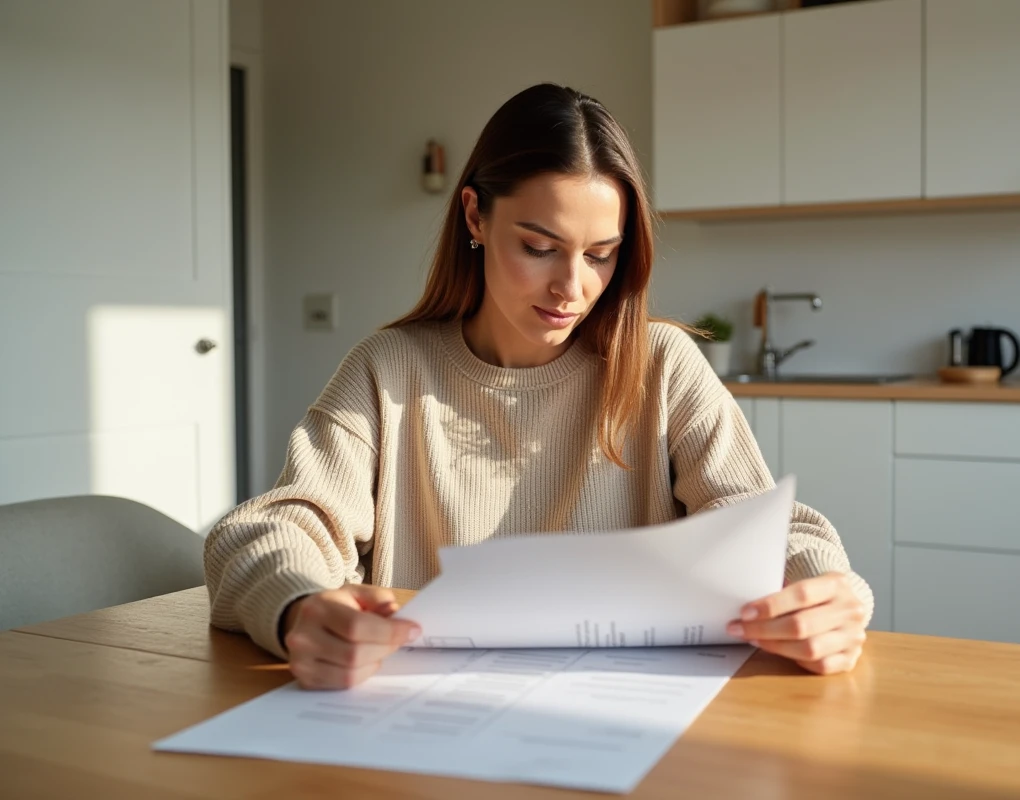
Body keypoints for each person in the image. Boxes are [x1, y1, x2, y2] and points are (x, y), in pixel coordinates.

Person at [205, 83, 873, 690]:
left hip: (623, 716)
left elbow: (768, 529)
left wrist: (825, 592)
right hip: (420, 720)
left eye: (600, 255)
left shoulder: (661, 364)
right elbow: (268, 530)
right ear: (474, 216)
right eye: (539, 246)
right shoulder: (388, 369)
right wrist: (296, 606)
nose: (572, 287)